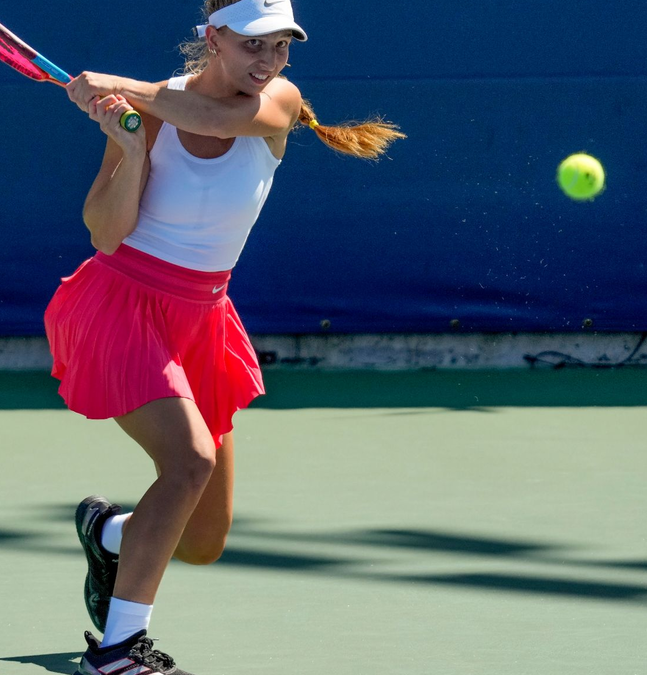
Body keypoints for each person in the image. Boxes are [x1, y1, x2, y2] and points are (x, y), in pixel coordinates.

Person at [43, 1, 404, 672]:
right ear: (214, 39)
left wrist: (119, 88)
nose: (268, 62)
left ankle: (110, 533)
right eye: (252, 45)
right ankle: (119, 651)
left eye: (281, 47)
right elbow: (105, 231)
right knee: (189, 463)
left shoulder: (278, 101)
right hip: (122, 305)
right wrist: (128, 144)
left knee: (204, 538)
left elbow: (210, 119)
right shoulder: (149, 112)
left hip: (202, 318)